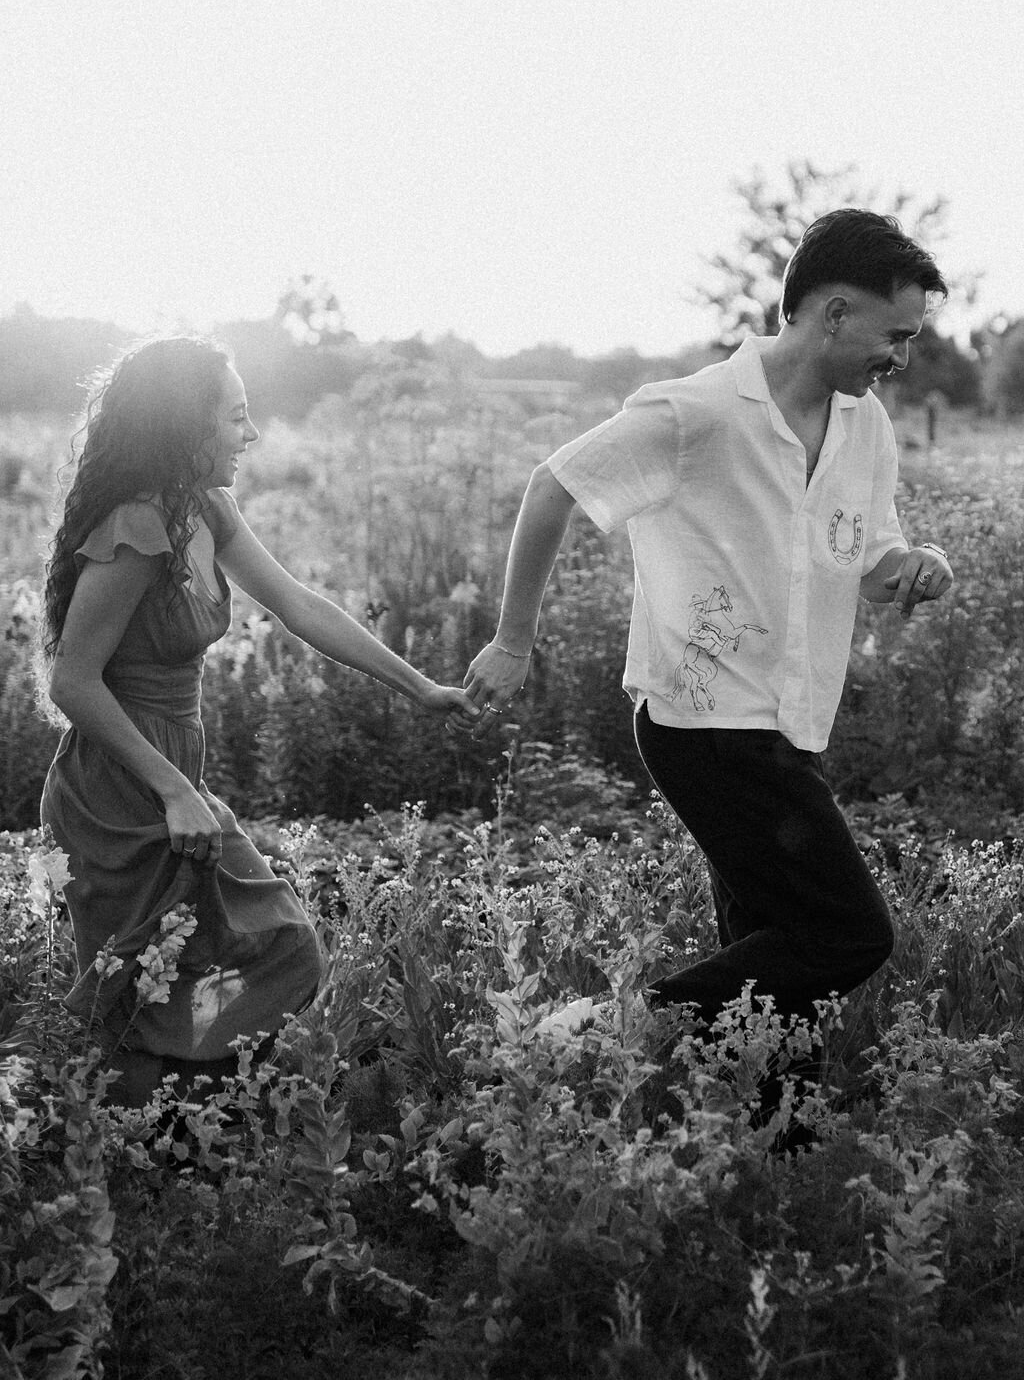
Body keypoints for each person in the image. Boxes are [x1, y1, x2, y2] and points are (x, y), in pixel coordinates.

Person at [463, 209, 953, 1049]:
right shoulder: (694, 414)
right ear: (834, 311)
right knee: (849, 933)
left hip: (792, 722)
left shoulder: (864, 424)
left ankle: (771, 1150)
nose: (901, 357)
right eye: (894, 333)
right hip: (706, 727)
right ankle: (603, 1031)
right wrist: (514, 639)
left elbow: (867, 559)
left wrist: (913, 564)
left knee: (776, 960)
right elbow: (553, 486)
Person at [40, 335, 478, 1105]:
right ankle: (92, 1132)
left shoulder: (203, 506)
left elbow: (300, 605)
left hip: (169, 775)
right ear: (186, 426)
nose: (250, 435)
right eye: (235, 417)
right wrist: (176, 790)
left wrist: (418, 686)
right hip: (116, 788)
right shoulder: (139, 525)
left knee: (272, 946)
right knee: (131, 991)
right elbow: (73, 682)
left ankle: (171, 1124)